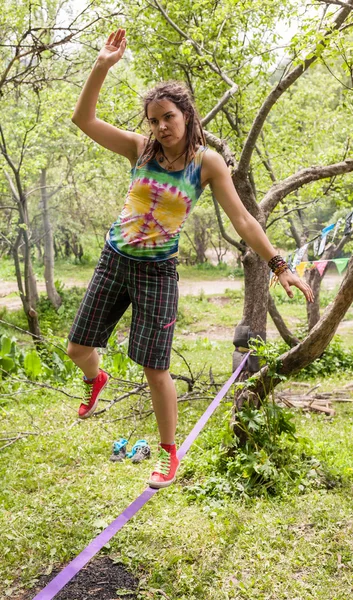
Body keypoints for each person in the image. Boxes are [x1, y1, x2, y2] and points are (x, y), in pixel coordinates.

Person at [67, 28, 314, 489]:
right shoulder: (140, 149)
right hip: (114, 259)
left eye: (168, 117)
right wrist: (101, 65)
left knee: (154, 367)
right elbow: (84, 120)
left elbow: (242, 220)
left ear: (186, 115)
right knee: (78, 349)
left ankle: (167, 453)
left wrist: (280, 265)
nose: (161, 126)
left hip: (158, 272)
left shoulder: (208, 163)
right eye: (154, 119)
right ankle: (94, 380)